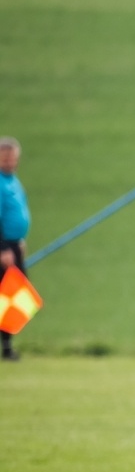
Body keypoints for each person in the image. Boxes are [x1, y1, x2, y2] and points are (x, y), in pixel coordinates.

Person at [0, 137, 32, 362]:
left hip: (14, 244)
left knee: (16, 296)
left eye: (13, 158)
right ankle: (6, 346)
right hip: (3, 247)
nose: (10, 162)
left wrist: (19, 240)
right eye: (5, 158)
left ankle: (8, 345)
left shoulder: (12, 181)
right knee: (4, 296)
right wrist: (2, 247)